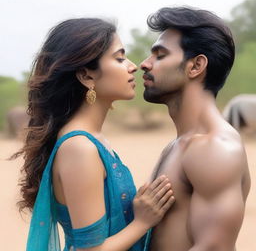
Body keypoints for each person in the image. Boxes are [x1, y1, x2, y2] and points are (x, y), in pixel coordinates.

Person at [14, 18, 175, 251]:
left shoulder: (92, 141)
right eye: (119, 58)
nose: (133, 66)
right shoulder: (79, 147)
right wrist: (142, 222)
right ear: (87, 76)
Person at [140, 7, 251, 251]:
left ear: (196, 66)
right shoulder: (180, 144)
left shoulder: (214, 147)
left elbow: (214, 247)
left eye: (159, 55)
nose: (144, 64)